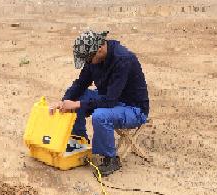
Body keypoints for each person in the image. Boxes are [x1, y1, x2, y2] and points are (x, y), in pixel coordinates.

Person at [52, 30, 149, 177]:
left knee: (100, 116)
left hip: (133, 108)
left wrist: (77, 105)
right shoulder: (93, 58)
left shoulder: (123, 60)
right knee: (77, 97)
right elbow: (81, 83)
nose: (88, 62)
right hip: (111, 98)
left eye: (89, 59)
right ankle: (79, 142)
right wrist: (64, 101)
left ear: (99, 48)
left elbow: (109, 101)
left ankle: (111, 159)